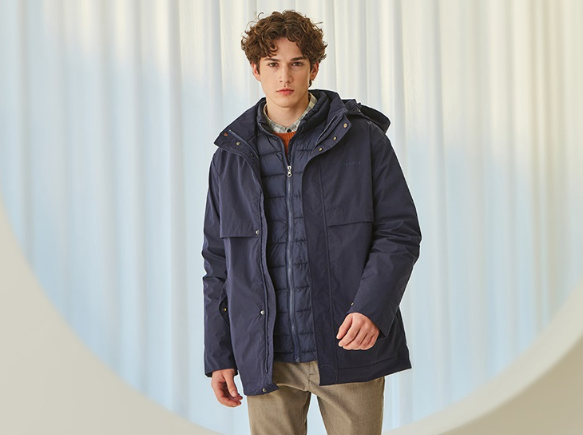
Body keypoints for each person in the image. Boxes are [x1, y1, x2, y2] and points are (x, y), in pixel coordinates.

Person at [202, 10, 421, 435]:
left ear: (314, 68)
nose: (284, 76)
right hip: (266, 355)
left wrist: (372, 308)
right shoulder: (230, 157)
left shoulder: (362, 139)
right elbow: (217, 262)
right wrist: (219, 353)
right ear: (256, 70)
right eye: (272, 63)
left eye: (296, 62)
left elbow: (399, 232)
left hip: (348, 346)